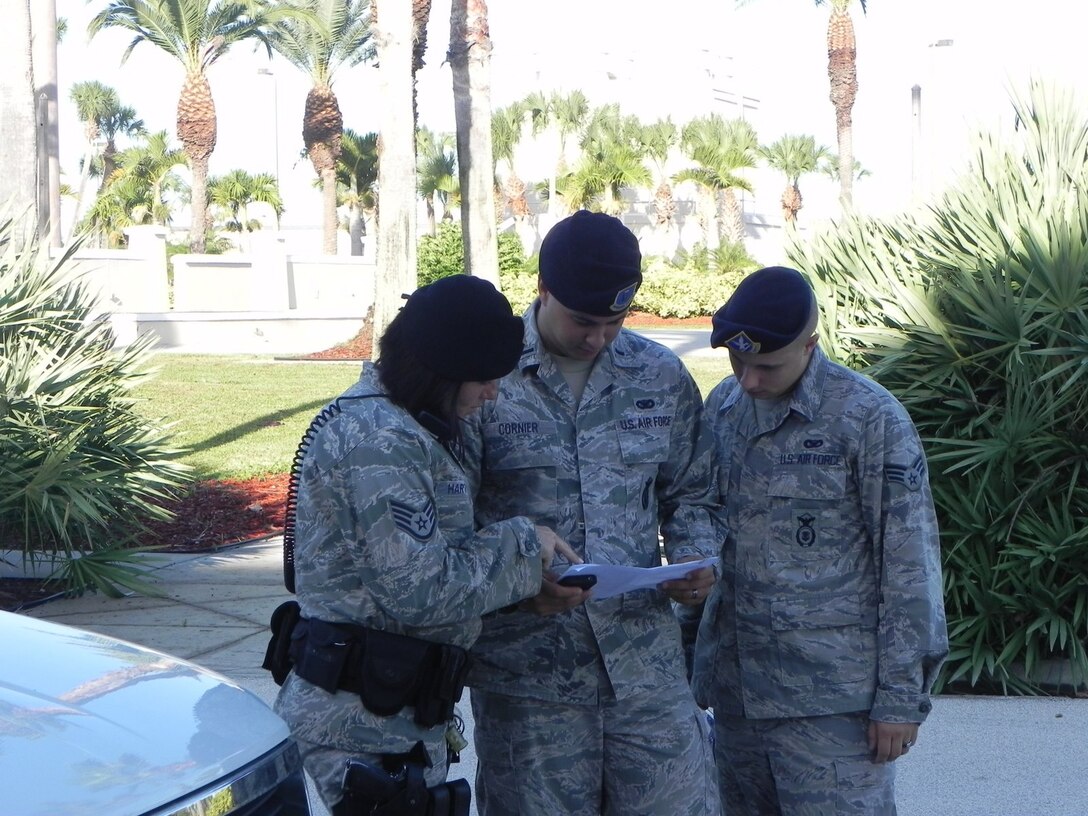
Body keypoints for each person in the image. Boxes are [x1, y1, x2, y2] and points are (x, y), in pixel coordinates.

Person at [270, 275, 579, 816]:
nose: (492, 395)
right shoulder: (381, 440)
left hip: (392, 715)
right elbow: (419, 589)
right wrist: (527, 544)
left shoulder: (411, 425)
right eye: (483, 380)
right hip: (361, 725)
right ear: (440, 373)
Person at [462, 210, 722, 816]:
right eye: (582, 320)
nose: (597, 338)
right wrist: (518, 584)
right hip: (528, 676)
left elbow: (693, 491)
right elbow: (453, 518)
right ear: (543, 290)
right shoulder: (483, 376)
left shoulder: (658, 374)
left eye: (614, 321)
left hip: (645, 666)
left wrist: (695, 557)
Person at [690, 265, 949, 815]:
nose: (749, 380)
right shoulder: (724, 408)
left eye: (767, 365)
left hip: (834, 704)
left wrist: (901, 699)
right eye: (738, 362)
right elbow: (706, 527)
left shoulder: (868, 418)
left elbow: (909, 563)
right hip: (738, 696)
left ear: (810, 344)